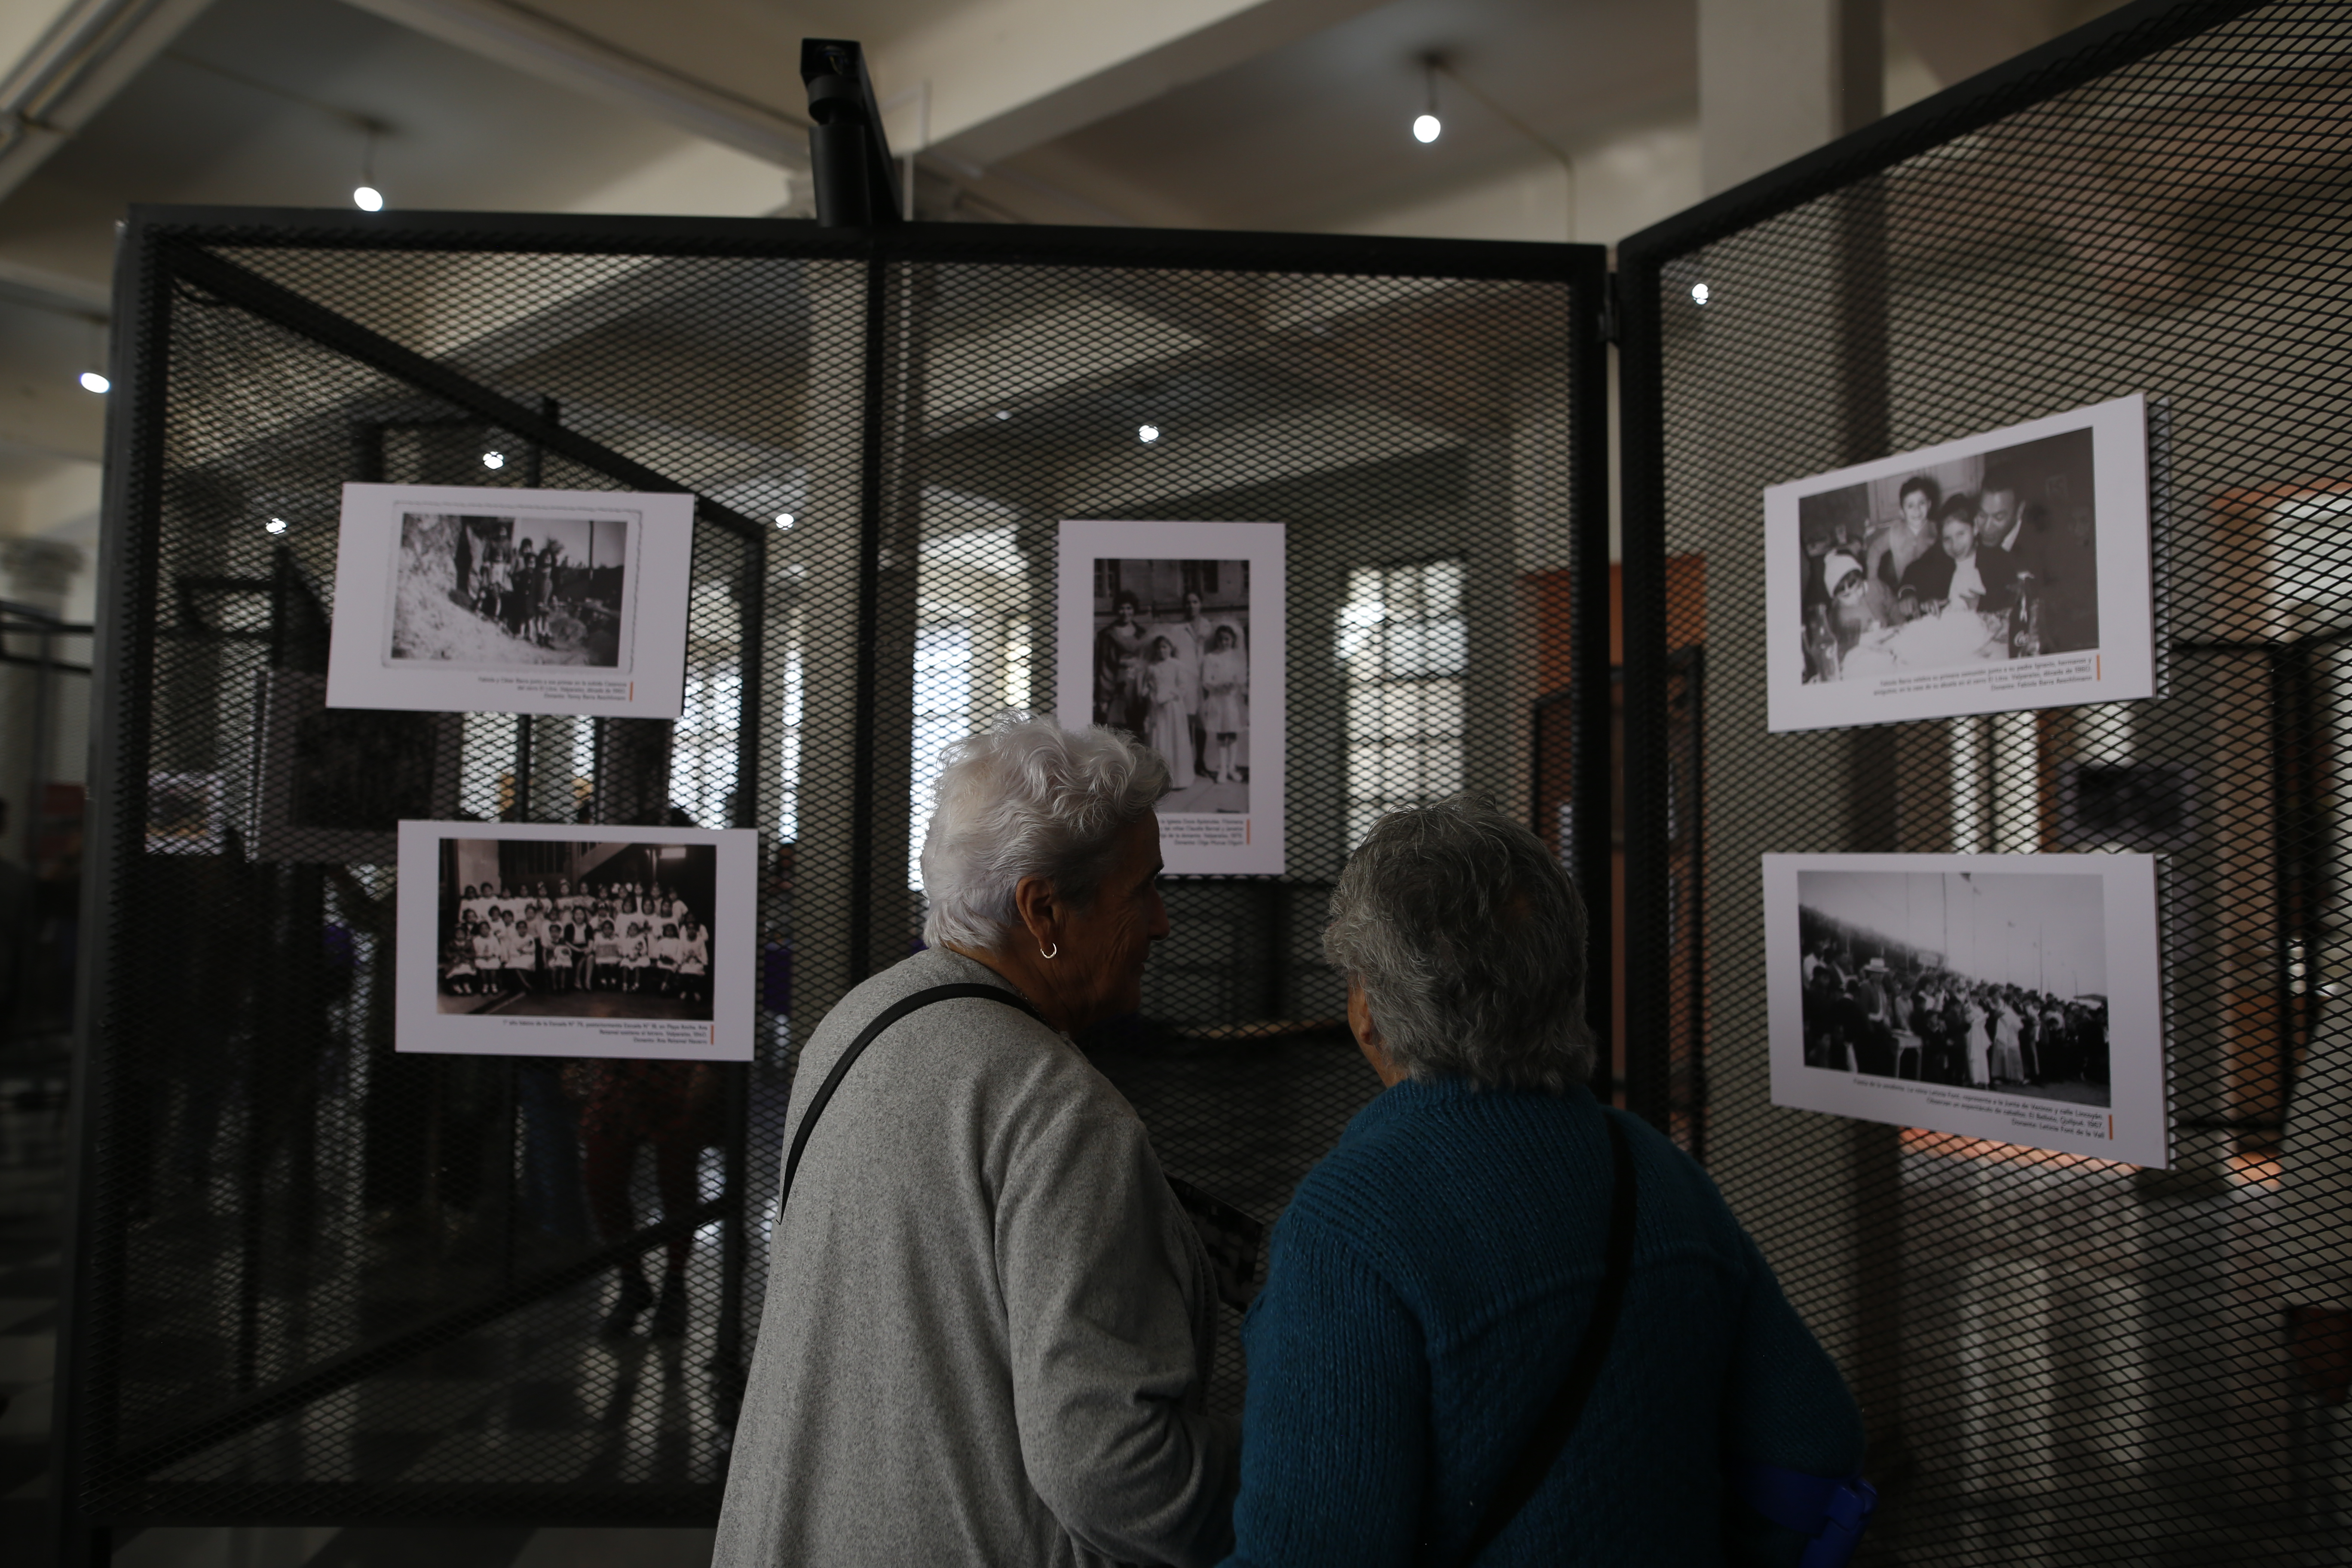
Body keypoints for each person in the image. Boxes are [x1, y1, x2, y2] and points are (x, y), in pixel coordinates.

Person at [1223, 796, 1864, 1565]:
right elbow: (1813, 1444)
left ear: (1367, 1012)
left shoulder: (1347, 1230)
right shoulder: (1656, 1169)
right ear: (1560, 975)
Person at [716, 715, 1237, 1568]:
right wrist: (1294, 1463)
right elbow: (1122, 1481)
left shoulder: (851, 1028)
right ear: (1043, 910)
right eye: (1145, 889)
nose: (1163, 923)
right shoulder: (1059, 1109)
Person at [1867, 475, 1941, 593]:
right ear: (1902, 511)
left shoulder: (1937, 529)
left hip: (1933, 591)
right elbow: (1875, 549)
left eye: (1921, 503)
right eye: (1910, 506)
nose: (1917, 511)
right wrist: (1872, 579)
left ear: (1929, 505)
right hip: (1905, 593)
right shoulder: (1895, 532)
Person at [1093, 591, 1150, 735]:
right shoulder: (1107, 635)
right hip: (1116, 689)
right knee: (1118, 730)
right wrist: (1104, 698)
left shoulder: (1142, 633)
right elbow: (1104, 667)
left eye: (1129, 608)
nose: (1126, 612)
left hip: (1139, 687)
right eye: (1122, 608)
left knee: (1138, 731)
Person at [1198, 623, 1247, 784]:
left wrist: (1234, 684)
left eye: (1227, 639)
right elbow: (1206, 681)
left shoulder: (1237, 657)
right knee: (1221, 733)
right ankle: (1223, 770)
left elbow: (1242, 678)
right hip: (1218, 700)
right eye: (1221, 640)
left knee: (1233, 733)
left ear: (1233, 640)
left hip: (1233, 700)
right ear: (1216, 641)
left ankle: (1232, 767)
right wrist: (1218, 686)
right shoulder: (1211, 658)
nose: (1224, 643)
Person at [1143, 635, 1191, 784]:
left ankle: (1180, 778)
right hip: (1157, 707)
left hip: (1173, 707)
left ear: (1171, 648)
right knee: (1160, 737)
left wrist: (1169, 696)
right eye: (1159, 648)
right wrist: (1151, 695)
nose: (1162, 651)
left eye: (1165, 647)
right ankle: (1160, 778)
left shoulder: (1177, 665)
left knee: (1175, 738)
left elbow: (1183, 687)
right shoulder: (1152, 667)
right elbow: (1147, 686)